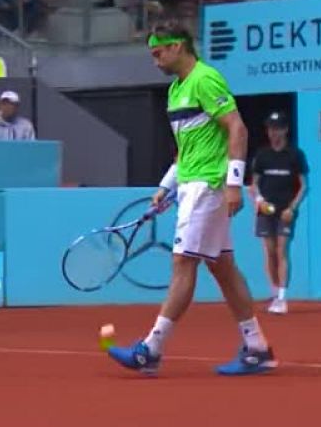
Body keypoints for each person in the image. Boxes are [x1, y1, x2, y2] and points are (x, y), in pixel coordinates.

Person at [107, 20, 277, 376]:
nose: (155, 61)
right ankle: (257, 347)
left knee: (183, 264)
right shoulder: (174, 91)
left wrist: (233, 183)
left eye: (158, 53)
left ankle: (151, 350)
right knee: (222, 267)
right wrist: (166, 186)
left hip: (208, 186)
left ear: (177, 46)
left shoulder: (205, 79)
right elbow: (186, 152)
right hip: (191, 185)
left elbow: (238, 128)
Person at [249, 111, 309, 315]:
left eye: (277, 129)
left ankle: (282, 298)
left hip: (286, 211)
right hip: (265, 211)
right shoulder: (262, 155)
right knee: (269, 252)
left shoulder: (295, 155)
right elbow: (254, 185)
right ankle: (274, 294)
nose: (273, 133)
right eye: (270, 129)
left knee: (282, 250)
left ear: (285, 130)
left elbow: (303, 186)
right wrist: (260, 201)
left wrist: (292, 208)